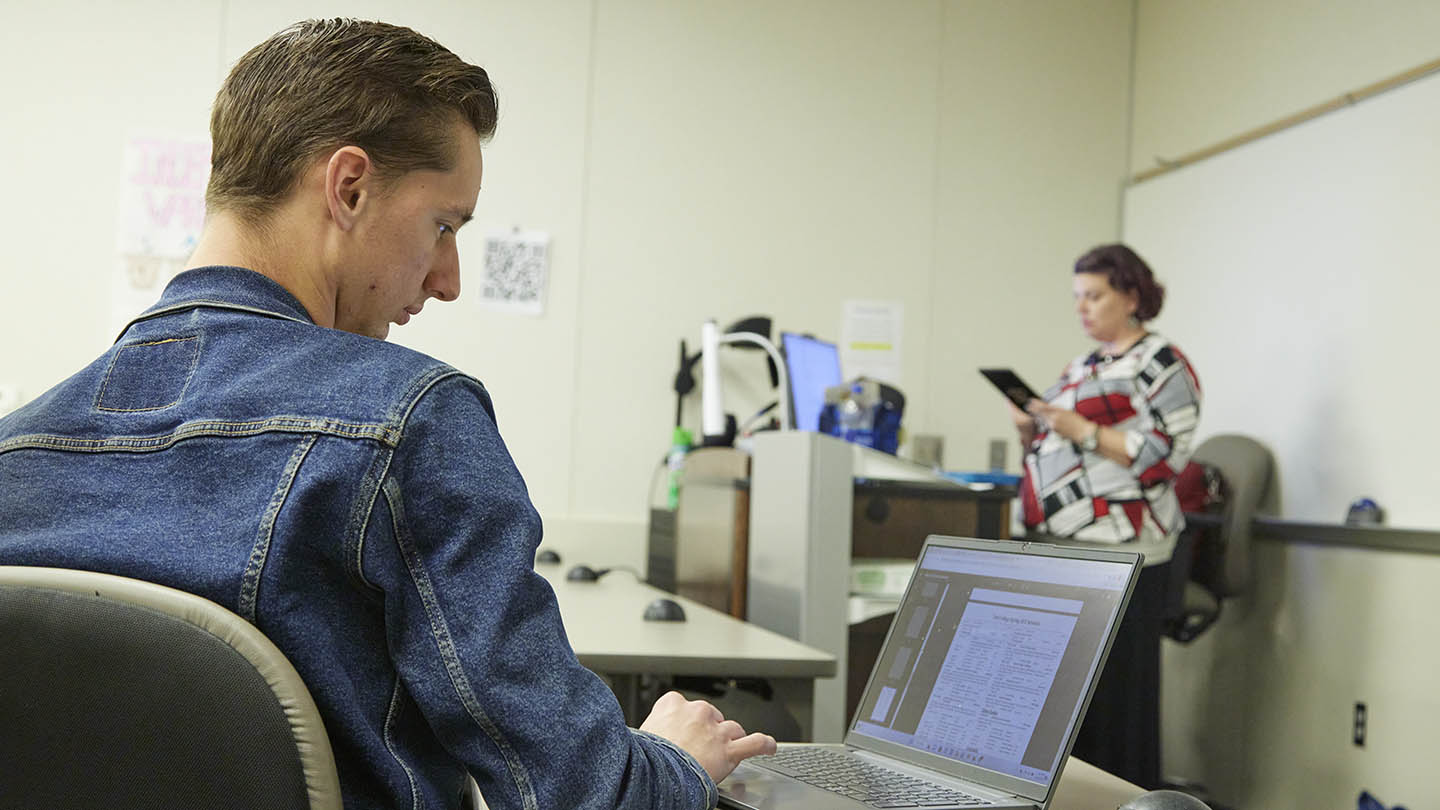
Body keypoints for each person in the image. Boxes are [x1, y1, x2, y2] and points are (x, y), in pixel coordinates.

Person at [0, 18, 772, 810]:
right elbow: (580, 797)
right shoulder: (411, 424)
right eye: (443, 226)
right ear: (349, 188)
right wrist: (671, 760)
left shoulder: (12, 450)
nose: (449, 281)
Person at [1007, 243, 1202, 789]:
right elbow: (1057, 448)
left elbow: (1166, 456)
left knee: (1118, 706)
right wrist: (1031, 427)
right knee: (1067, 709)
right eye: (1077, 298)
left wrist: (1081, 430)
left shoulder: (1161, 363)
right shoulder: (1083, 365)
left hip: (1125, 553)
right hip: (1066, 546)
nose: (1083, 309)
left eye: (1095, 296)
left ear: (1131, 296)